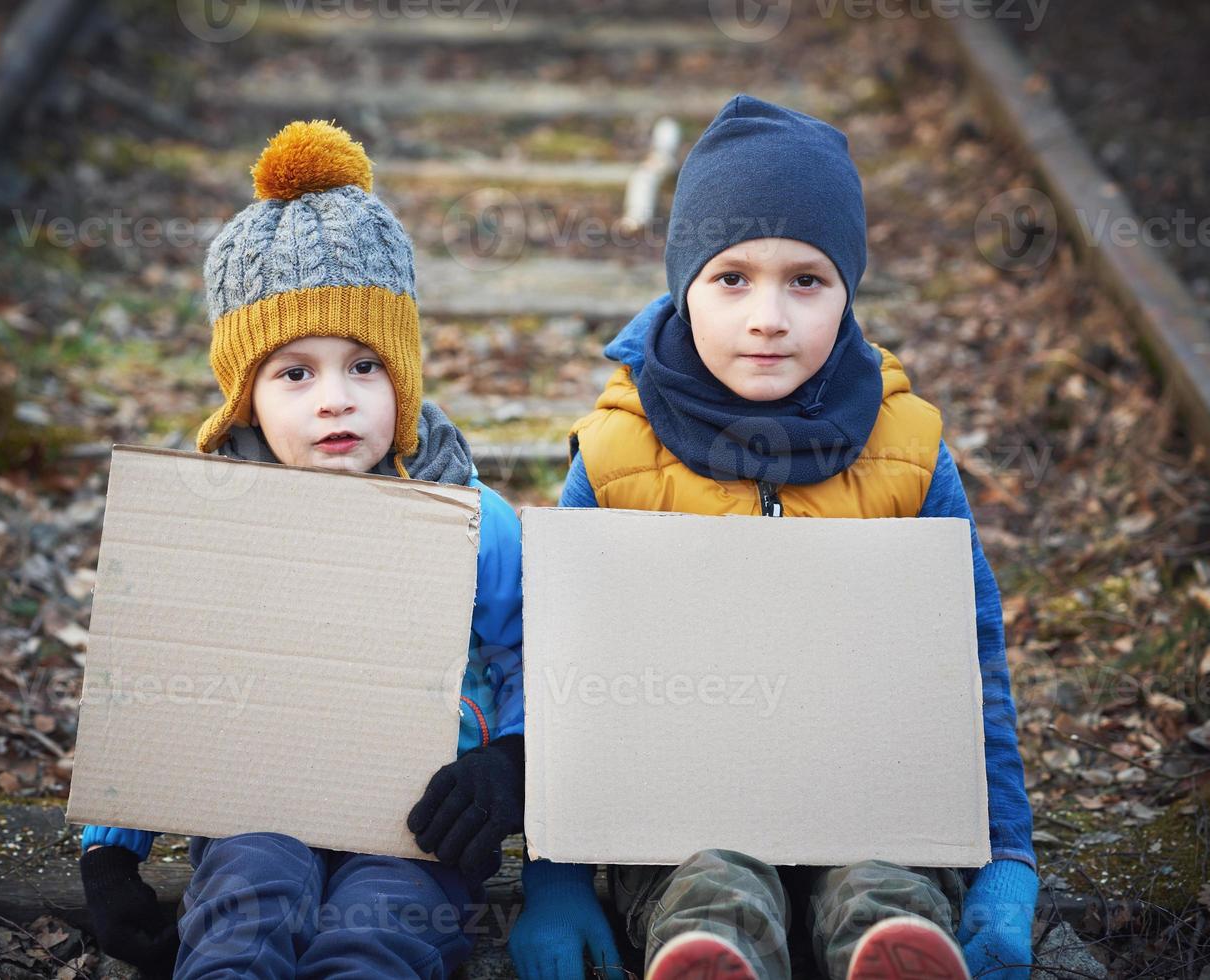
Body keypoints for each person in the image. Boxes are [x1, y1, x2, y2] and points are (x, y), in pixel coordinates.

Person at [508, 94, 1036, 980]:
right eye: (732, 278)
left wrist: (1007, 860)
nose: (768, 317)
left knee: (883, 881)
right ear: (684, 284)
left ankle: (894, 952)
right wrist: (553, 874)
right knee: (709, 882)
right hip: (679, 813)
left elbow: (970, 661)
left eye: (807, 280)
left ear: (848, 291)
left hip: (870, 795)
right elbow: (562, 672)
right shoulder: (614, 454)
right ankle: (712, 959)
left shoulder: (907, 453)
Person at [76, 120, 526, 979]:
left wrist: (508, 763)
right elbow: (157, 679)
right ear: (246, 396)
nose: (335, 401)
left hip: (417, 819)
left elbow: (526, 654)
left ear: (406, 373)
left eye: (365, 366)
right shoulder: (211, 521)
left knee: (382, 928)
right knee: (246, 901)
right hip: (256, 801)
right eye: (295, 373)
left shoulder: (474, 518)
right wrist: (112, 846)